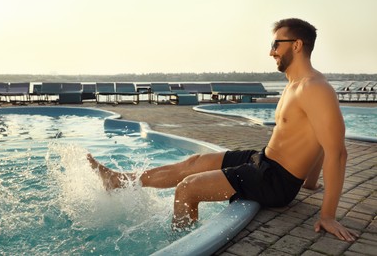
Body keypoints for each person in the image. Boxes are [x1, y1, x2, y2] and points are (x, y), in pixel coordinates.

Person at [87, 18, 357, 242]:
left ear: (296, 45)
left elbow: (337, 151)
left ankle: (179, 247)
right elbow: (317, 140)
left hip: (276, 181)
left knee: (187, 189)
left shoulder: (315, 88)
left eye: (276, 44)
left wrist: (328, 215)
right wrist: (310, 183)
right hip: (264, 160)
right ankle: (120, 181)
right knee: (195, 163)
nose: (271, 51)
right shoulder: (294, 84)